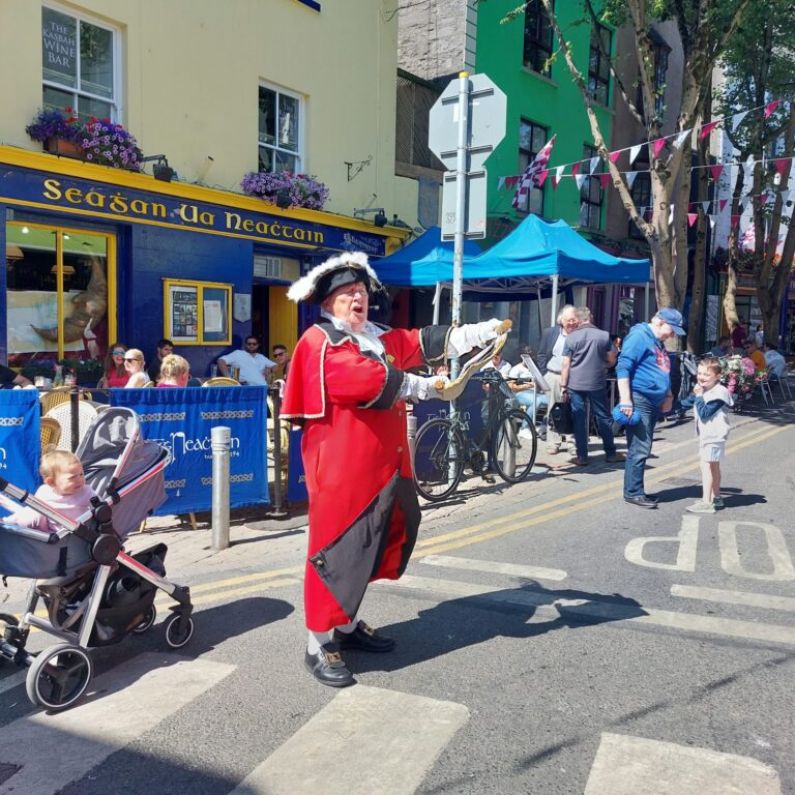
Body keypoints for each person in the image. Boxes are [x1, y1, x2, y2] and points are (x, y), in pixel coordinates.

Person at [281, 251, 507, 688]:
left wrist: (480, 332)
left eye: (362, 293)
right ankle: (317, 643)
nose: (358, 300)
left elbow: (418, 342)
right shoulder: (320, 340)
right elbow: (360, 379)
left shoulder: (376, 336)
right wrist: (424, 386)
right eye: (348, 294)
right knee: (335, 552)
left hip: (385, 465)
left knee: (370, 545)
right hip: (341, 467)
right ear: (328, 303)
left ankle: (345, 627)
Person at [616, 308, 683, 508]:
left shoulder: (656, 341)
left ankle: (637, 490)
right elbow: (623, 367)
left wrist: (668, 394)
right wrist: (626, 400)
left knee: (642, 446)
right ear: (659, 321)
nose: (672, 334)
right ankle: (633, 492)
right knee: (640, 447)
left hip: (652, 400)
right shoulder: (639, 337)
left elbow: (663, 370)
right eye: (672, 329)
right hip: (640, 398)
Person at [559, 307, 622, 466]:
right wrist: (605, 365)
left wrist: (563, 386)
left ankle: (582, 456)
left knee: (579, 418)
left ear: (578, 320)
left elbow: (566, 364)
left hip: (576, 383)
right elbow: (611, 357)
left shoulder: (572, 338)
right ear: (591, 318)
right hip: (597, 382)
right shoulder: (603, 335)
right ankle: (610, 453)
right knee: (602, 417)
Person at [0, 450, 96, 532]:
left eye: (81, 474)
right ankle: (6, 521)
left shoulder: (86, 492)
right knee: (32, 513)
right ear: (51, 482)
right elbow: (32, 512)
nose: (80, 480)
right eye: (72, 478)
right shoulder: (44, 492)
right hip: (48, 531)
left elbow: (102, 507)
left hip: (76, 533)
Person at [684, 358, 733, 514]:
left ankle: (707, 502)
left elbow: (705, 413)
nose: (701, 377)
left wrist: (698, 396)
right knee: (713, 467)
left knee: (707, 468)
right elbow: (687, 402)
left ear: (718, 376)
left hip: (713, 436)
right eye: (699, 373)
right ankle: (716, 498)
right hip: (708, 436)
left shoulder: (720, 392)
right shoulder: (704, 389)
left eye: (706, 374)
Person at [537, 305, 579, 455]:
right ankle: (553, 442)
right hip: (553, 376)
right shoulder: (550, 333)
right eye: (569, 320)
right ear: (561, 320)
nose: (572, 323)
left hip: (573, 377)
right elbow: (541, 354)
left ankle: (571, 442)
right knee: (553, 409)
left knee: (571, 409)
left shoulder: (579, 335)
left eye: (575, 320)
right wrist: (543, 374)